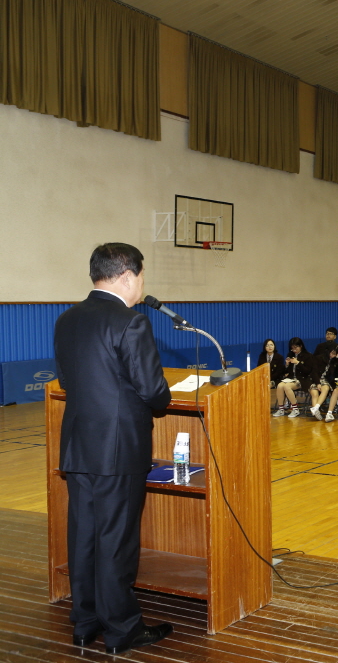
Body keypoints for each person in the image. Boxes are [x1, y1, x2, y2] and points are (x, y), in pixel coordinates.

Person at [53, 243, 174, 654]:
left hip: (79, 446)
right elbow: (155, 393)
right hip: (119, 450)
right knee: (117, 541)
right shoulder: (131, 323)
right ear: (128, 275)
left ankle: (85, 622)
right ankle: (122, 628)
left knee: (84, 535)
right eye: (142, 276)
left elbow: (67, 382)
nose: (142, 284)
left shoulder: (66, 320)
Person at [273, 338, 313, 417]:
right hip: (291, 379)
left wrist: (298, 363)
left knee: (287, 386)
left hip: (302, 379)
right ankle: (281, 409)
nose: (294, 350)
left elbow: (308, 371)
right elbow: (287, 371)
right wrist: (287, 365)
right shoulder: (290, 355)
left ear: (301, 346)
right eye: (292, 348)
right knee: (280, 385)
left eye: (296, 347)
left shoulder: (308, 356)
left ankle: (295, 409)